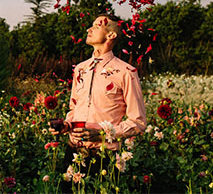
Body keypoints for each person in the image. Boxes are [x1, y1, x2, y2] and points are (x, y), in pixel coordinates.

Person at [50, 14, 146, 187]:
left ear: (111, 35)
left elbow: (138, 122)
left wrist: (103, 134)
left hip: (103, 158)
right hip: (72, 152)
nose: (89, 29)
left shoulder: (126, 72)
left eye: (96, 26)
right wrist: (67, 125)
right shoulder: (80, 69)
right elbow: (74, 108)